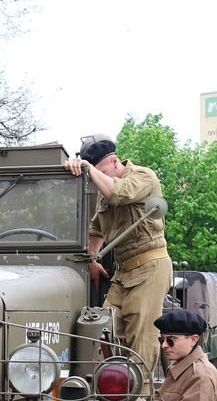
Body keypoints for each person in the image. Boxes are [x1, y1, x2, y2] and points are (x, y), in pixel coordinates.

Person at [64, 139, 173, 377]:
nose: (97, 179)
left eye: (101, 172)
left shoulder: (144, 176)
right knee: (103, 328)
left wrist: (89, 169)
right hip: (123, 273)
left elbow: (117, 193)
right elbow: (96, 230)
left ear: (115, 161)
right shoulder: (103, 193)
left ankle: (140, 392)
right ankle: (108, 384)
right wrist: (92, 261)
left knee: (141, 337)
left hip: (150, 266)